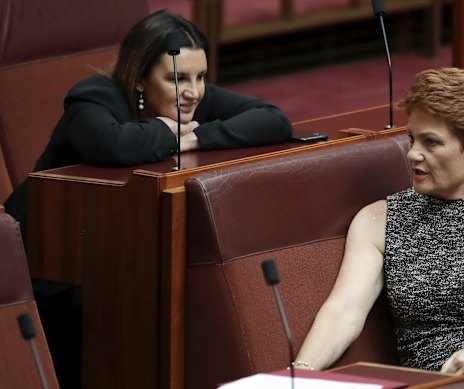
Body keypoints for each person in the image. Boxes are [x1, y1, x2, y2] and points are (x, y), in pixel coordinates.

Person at [3, 10, 292, 389]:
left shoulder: (188, 101)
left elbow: (273, 120)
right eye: (177, 79)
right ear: (139, 77)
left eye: (201, 77)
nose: (193, 91)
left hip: (117, 252)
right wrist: (170, 132)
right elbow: (113, 144)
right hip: (47, 259)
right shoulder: (93, 96)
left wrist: (194, 138)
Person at [293, 67, 464, 375]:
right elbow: (343, 312)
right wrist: (299, 374)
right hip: (428, 381)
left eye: (431, 143)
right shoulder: (379, 219)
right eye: (412, 139)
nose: (413, 154)